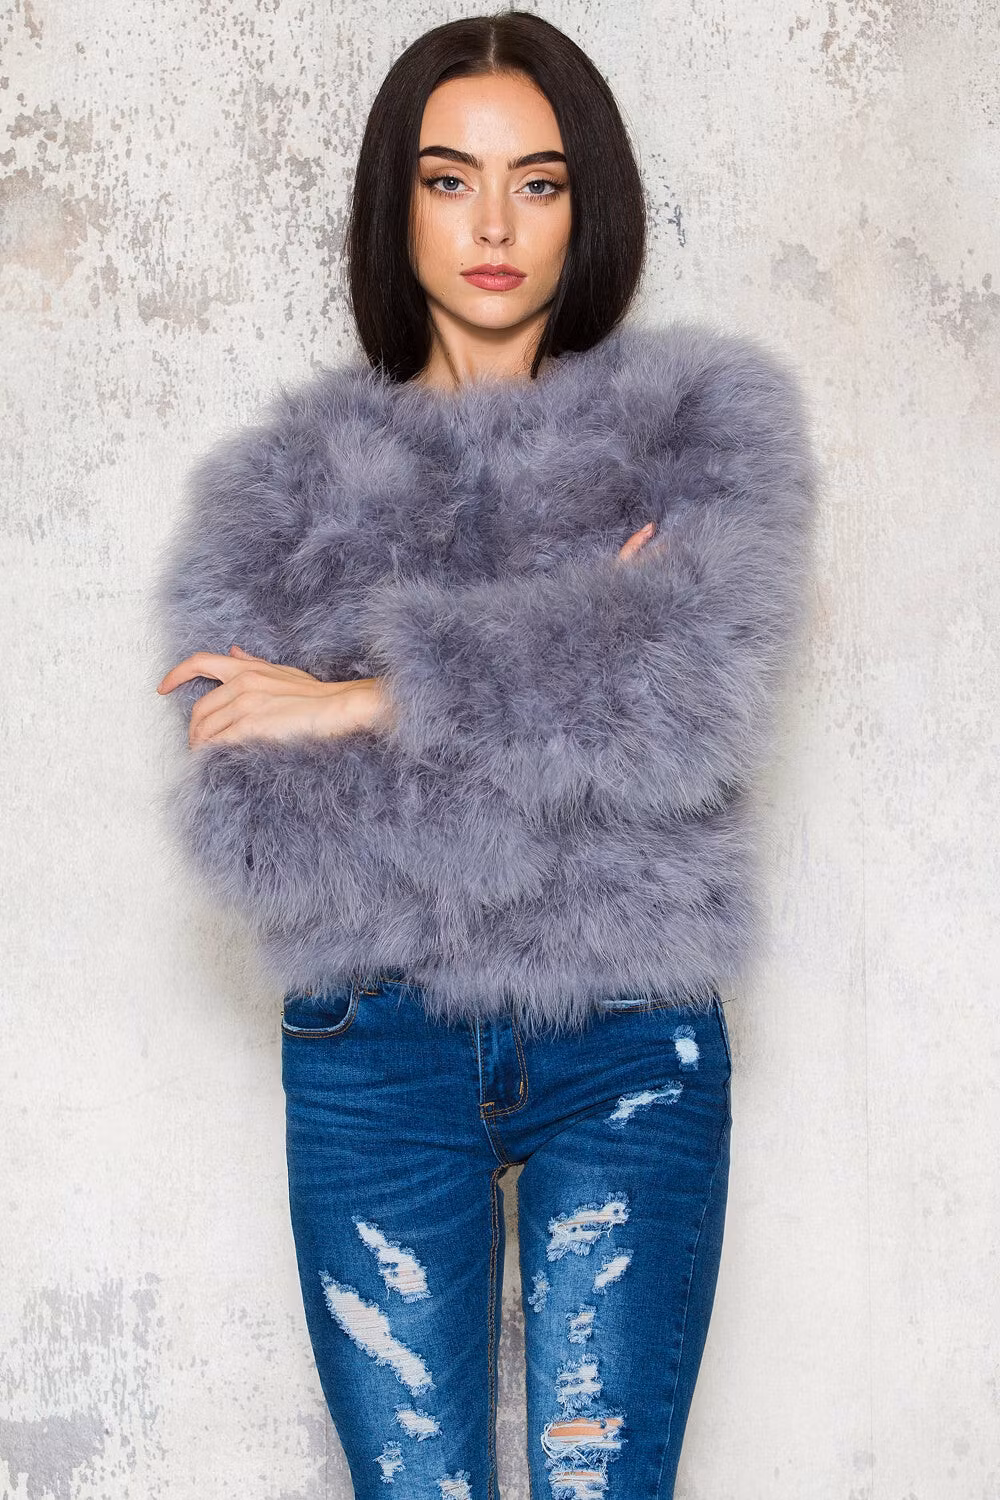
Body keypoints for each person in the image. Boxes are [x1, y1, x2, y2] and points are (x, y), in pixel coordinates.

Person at [152, 11, 818, 1497]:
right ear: (398, 208)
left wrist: (359, 699)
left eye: (541, 182)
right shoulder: (281, 487)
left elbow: (696, 698)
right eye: (451, 180)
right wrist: (577, 652)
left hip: (629, 1041)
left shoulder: (702, 427)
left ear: (591, 206)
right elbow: (254, 829)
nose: (497, 226)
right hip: (373, 1054)